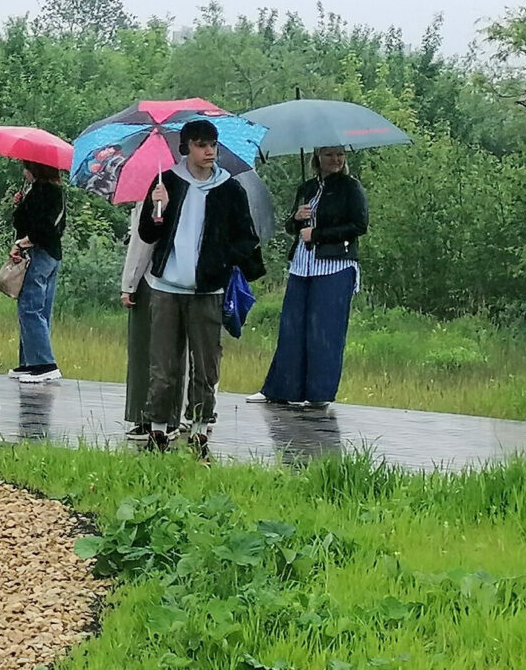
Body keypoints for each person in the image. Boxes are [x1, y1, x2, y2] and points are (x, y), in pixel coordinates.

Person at [133, 118, 263, 459]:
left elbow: (246, 239)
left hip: (207, 290)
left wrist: (222, 261)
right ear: (186, 147)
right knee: (164, 366)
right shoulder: (167, 182)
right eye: (201, 144)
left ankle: (200, 429)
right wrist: (155, 207)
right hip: (165, 287)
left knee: (206, 366)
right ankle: (158, 430)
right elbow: (148, 234)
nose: (209, 151)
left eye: (213, 144)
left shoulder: (230, 189)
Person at [256, 146, 369, 408]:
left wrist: (317, 235)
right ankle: (281, 389)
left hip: (334, 266)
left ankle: (319, 395)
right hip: (302, 265)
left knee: (325, 331)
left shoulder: (350, 188)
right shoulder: (307, 188)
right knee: (292, 328)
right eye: (330, 154)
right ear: (317, 156)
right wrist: (296, 219)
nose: (336, 159)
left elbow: (359, 226)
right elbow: (291, 227)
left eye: (340, 154)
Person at [8, 159, 66, 381]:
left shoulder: (43, 192)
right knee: (41, 310)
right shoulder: (55, 191)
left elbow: (41, 227)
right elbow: (22, 222)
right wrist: (21, 204)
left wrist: (22, 243)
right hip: (52, 255)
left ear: (35, 169)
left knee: (29, 308)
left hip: (39, 255)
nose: (24, 172)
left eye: (26, 167)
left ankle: (44, 364)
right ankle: (29, 361)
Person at [119, 213, 159, 441]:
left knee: (143, 350)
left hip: (150, 278)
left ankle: (145, 416)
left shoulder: (155, 192)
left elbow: (142, 244)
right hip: (183, 279)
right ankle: (181, 415)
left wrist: (129, 284)